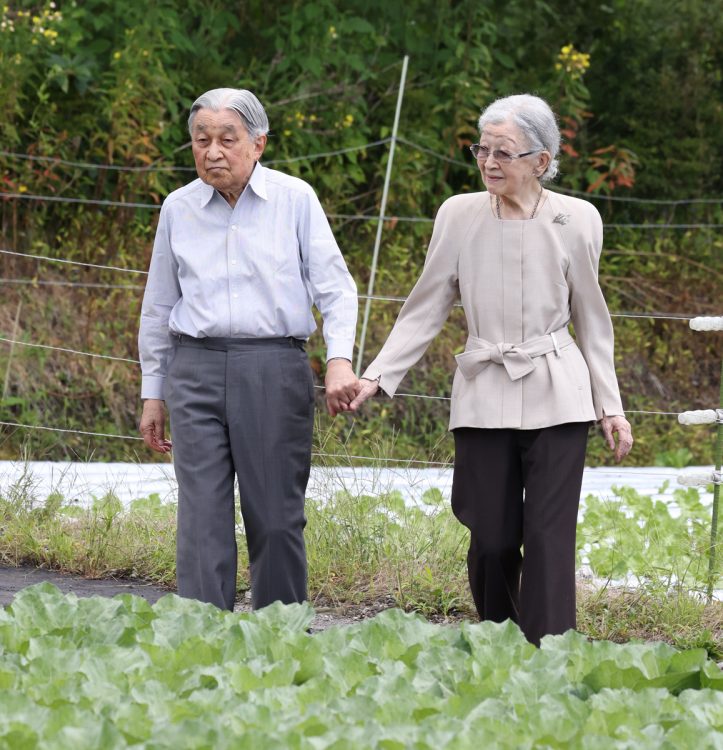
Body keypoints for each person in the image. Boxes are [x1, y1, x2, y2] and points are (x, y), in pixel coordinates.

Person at [350, 94, 633, 645]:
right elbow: (427, 304)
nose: (489, 162)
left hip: (558, 391)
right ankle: (499, 643)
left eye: (504, 151)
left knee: (550, 538)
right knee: (493, 533)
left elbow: (593, 322)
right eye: (482, 150)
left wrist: (610, 406)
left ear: (541, 161)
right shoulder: (459, 214)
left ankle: (548, 655)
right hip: (483, 387)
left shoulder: (578, 219)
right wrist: (378, 375)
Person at [138, 88, 359, 612]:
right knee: (201, 517)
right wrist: (154, 392)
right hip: (194, 368)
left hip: (272, 366)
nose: (212, 152)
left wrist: (339, 360)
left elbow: (336, 288)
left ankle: (281, 640)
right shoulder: (178, 208)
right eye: (201, 140)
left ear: (258, 143)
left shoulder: (295, 199)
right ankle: (203, 640)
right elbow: (158, 304)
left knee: (276, 516)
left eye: (226, 139)